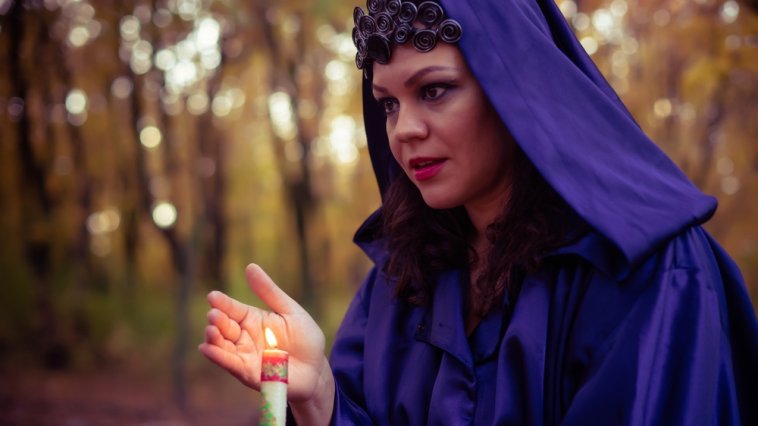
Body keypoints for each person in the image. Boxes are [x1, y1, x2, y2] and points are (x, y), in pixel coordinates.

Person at [199, 0, 758, 424]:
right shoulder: (399, 282)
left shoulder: (648, 273)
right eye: (389, 104)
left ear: (517, 90)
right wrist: (320, 393)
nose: (404, 130)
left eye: (435, 91)